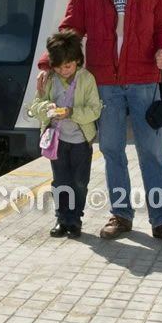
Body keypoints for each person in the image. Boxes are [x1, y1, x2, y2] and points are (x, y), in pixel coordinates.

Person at [37, 0, 162, 247]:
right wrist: (49, 63)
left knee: (152, 150)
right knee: (112, 149)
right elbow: (71, 27)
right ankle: (121, 214)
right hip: (104, 81)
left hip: (144, 78)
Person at [30, 32, 102, 238]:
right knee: (60, 181)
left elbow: (95, 110)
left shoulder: (87, 79)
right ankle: (62, 219)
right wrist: (48, 107)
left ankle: (75, 219)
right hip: (57, 140)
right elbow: (35, 106)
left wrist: (72, 112)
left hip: (81, 140)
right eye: (59, 67)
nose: (63, 71)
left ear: (78, 61)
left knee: (79, 182)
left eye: (68, 66)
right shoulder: (50, 80)